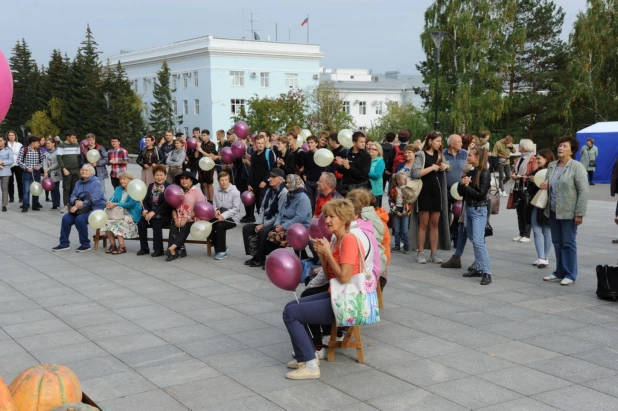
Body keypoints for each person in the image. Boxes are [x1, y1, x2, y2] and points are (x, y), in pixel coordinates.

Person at [282, 199, 359, 380]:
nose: (327, 221)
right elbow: (330, 274)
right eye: (326, 217)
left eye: (332, 216)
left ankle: (310, 364)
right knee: (291, 306)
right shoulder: (337, 240)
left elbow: (344, 277)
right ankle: (307, 357)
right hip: (336, 295)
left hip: (345, 303)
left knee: (291, 314)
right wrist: (323, 255)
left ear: (344, 218)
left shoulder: (349, 240)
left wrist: (328, 254)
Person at [540, 136, 589, 286]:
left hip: (569, 212)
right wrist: (546, 184)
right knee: (557, 242)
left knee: (568, 243)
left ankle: (570, 274)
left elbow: (583, 191)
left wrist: (579, 213)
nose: (561, 148)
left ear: (572, 151)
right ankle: (559, 272)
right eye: (560, 145)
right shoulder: (552, 165)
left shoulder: (577, 167)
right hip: (553, 210)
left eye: (565, 146)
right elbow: (551, 182)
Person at [411, 131, 450, 263]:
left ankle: (434, 253)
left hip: (437, 192)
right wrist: (432, 168)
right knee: (423, 223)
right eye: (437, 141)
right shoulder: (421, 155)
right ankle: (420, 252)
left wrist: (446, 165)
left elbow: (448, 166)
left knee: (435, 223)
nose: (440, 144)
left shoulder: (439, 154)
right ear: (430, 141)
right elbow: (415, 173)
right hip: (424, 191)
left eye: (440, 141)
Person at [52, 164, 106, 252]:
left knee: (79, 220)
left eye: (86, 170)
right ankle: (64, 244)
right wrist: (76, 201)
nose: (83, 171)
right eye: (82, 170)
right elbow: (72, 196)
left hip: (94, 208)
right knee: (66, 218)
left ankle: (85, 244)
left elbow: (94, 199)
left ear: (92, 173)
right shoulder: (78, 182)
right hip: (81, 208)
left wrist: (78, 206)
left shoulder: (96, 182)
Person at [458, 146, 492, 285]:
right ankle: (478, 267)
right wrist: (462, 184)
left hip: (479, 210)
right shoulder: (471, 171)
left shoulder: (484, 173)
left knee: (478, 241)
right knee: (474, 239)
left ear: (477, 157)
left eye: (470, 155)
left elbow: (481, 195)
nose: (467, 157)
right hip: (470, 209)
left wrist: (467, 187)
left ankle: (487, 271)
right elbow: (461, 193)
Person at [243, 168, 288, 267]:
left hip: (277, 221)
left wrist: (263, 225)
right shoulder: (269, 190)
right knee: (247, 229)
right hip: (265, 219)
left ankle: (260, 259)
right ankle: (254, 256)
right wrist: (259, 223)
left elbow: (280, 214)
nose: (270, 179)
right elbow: (262, 208)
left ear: (281, 180)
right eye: (270, 177)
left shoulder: (283, 192)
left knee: (263, 231)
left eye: (273, 177)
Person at [263, 174, 312, 263]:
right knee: (267, 232)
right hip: (285, 224)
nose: (287, 185)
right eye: (287, 182)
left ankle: (279, 260)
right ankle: (274, 259)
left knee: (276, 236)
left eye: (290, 182)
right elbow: (281, 212)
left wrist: (283, 226)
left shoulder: (302, 197)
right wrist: (277, 224)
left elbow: (300, 218)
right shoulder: (289, 195)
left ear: (296, 183)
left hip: (299, 227)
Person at [166, 171, 206, 261]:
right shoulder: (176, 190)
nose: (184, 180)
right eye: (182, 178)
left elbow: (199, 208)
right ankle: (176, 251)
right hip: (178, 217)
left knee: (185, 227)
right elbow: (173, 207)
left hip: (192, 218)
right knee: (174, 227)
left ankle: (172, 248)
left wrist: (186, 218)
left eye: (186, 178)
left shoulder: (197, 191)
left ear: (191, 181)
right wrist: (175, 218)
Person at [526, 149, 555, 268]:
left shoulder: (553, 172)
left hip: (547, 205)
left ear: (547, 159)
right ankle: (541, 257)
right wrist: (533, 182)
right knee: (536, 230)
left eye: (539, 158)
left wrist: (543, 184)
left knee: (547, 231)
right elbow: (530, 190)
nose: (536, 160)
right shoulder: (535, 173)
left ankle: (544, 257)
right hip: (535, 204)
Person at [102, 172, 142, 255]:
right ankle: (113, 245)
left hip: (130, 213)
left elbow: (131, 204)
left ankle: (122, 246)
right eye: (121, 179)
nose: (122, 181)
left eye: (124, 179)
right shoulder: (118, 189)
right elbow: (113, 198)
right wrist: (109, 202)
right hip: (118, 212)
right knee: (105, 222)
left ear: (130, 180)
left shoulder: (134, 190)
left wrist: (117, 204)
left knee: (118, 221)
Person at [137, 165, 171, 257]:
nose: (159, 177)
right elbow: (146, 200)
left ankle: (158, 249)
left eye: (161, 175)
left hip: (163, 215)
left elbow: (166, 204)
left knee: (156, 222)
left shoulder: (169, 187)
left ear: (165, 176)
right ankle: (144, 248)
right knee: (141, 223)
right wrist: (146, 210)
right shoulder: (151, 186)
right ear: (153, 176)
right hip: (150, 214)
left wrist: (154, 212)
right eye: (157, 175)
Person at [209, 171, 241, 260]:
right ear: (218, 181)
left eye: (226, 180)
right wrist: (216, 210)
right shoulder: (216, 191)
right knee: (208, 224)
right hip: (219, 215)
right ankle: (221, 245)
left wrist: (224, 215)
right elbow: (214, 205)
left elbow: (236, 209)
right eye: (221, 180)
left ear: (229, 180)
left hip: (232, 217)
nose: (224, 182)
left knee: (219, 226)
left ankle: (222, 251)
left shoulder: (235, 192)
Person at [511, 139, 538, 243]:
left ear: (525, 147)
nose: (518, 148)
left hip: (527, 188)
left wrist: (521, 177)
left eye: (520, 146)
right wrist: (514, 175)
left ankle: (527, 234)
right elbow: (514, 170)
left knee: (526, 211)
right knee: (519, 210)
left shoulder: (533, 159)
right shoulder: (518, 159)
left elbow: (534, 174)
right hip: (517, 187)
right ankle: (521, 233)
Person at [444, 134, 468, 242]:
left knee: (459, 213)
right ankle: (446, 236)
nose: (462, 144)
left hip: (459, 190)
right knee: (445, 214)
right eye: (460, 142)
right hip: (445, 189)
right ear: (453, 144)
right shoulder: (443, 154)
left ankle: (455, 234)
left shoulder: (464, 154)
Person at [247, 135, 276, 220]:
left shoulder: (268, 152)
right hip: (254, 184)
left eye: (262, 143)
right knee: (258, 205)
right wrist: (249, 183)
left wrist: (265, 181)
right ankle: (259, 222)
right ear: (255, 144)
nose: (260, 145)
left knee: (264, 205)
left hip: (264, 184)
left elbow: (272, 169)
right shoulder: (254, 155)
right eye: (258, 143)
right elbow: (251, 170)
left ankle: (264, 223)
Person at [334, 131, 371, 196]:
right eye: (361, 142)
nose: (363, 144)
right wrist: (339, 165)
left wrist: (349, 168)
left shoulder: (366, 156)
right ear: (354, 142)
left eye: (364, 142)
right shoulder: (346, 153)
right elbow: (342, 171)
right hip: (346, 187)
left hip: (359, 188)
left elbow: (363, 174)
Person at [17, 136, 44, 212]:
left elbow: (42, 160)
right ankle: (25, 205)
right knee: (26, 189)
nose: (39, 144)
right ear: (32, 142)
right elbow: (18, 161)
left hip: (36, 172)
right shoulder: (24, 149)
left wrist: (39, 166)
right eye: (37, 142)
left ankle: (35, 204)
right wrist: (26, 168)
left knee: (36, 188)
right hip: (27, 172)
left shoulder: (39, 150)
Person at [57, 130, 82, 213]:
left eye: (75, 138)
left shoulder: (76, 145)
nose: (74, 139)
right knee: (66, 188)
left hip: (76, 170)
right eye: (72, 138)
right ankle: (65, 205)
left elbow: (79, 157)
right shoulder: (62, 145)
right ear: (67, 137)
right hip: (67, 170)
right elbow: (59, 158)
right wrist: (63, 168)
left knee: (75, 188)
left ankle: (73, 204)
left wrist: (80, 168)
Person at [302, 135, 330, 210]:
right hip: (309, 180)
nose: (310, 144)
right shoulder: (307, 154)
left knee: (318, 201)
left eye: (312, 142)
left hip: (319, 181)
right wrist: (305, 174)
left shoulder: (321, 153)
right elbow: (306, 166)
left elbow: (326, 167)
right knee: (310, 202)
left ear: (316, 144)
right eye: (308, 143)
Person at [389, 172, 413, 253]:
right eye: (404, 179)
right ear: (398, 181)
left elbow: (410, 201)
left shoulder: (407, 190)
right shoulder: (393, 190)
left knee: (405, 230)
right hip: (397, 209)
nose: (406, 180)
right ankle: (397, 245)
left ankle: (406, 246)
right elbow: (391, 201)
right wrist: (395, 211)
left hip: (405, 210)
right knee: (397, 229)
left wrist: (407, 210)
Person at [196, 129, 218, 202]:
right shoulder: (200, 144)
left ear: (208, 136)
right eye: (202, 135)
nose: (203, 137)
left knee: (209, 184)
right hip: (200, 166)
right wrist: (197, 149)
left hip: (209, 167)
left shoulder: (212, 144)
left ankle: (211, 200)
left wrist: (201, 150)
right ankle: (207, 199)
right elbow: (196, 156)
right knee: (204, 184)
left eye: (204, 135)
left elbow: (211, 156)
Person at [43, 138, 62, 210]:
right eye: (47, 143)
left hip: (56, 172)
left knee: (56, 188)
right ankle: (54, 204)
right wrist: (45, 171)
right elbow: (44, 162)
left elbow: (58, 163)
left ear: (53, 143)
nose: (47, 145)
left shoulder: (58, 151)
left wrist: (49, 168)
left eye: (49, 143)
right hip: (49, 173)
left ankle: (57, 204)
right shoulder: (46, 152)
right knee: (51, 188)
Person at [6, 131, 23, 204]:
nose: (11, 137)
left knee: (20, 181)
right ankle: (11, 197)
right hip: (9, 165)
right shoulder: (5, 144)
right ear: (7, 136)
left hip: (18, 165)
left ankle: (21, 197)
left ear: (15, 136)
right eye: (10, 135)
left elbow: (22, 155)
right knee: (10, 181)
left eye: (13, 135)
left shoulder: (19, 145)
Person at [367, 142, 386, 206]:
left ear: (378, 152)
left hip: (375, 192)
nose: (371, 150)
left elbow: (377, 175)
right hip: (367, 190)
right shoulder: (367, 160)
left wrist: (365, 172)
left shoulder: (380, 161)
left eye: (374, 149)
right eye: (370, 148)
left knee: (375, 212)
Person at [0, 135, 15, 212]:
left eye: (1, 141)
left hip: (5, 171)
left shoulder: (8, 150)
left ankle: (4, 205)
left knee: (4, 188)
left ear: (4, 141)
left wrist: (3, 162)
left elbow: (11, 161)